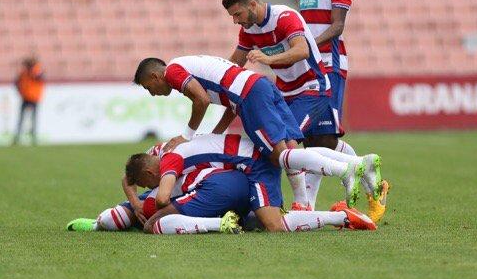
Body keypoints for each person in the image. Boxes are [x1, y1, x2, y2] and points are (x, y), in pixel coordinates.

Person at [221, 0, 383, 211]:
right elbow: (234, 64)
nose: (236, 21)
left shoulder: (285, 17)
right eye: (232, 17)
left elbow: (302, 50)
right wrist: (216, 79)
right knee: (321, 143)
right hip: (285, 94)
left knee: (286, 143)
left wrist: (268, 60)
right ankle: (360, 166)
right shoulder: (248, 31)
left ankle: (302, 204)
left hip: (312, 87)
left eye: (237, 14)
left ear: (253, 4)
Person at [133, 56, 371, 207]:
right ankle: (355, 167)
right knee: (290, 149)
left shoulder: (173, 71)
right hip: (259, 85)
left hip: (249, 94)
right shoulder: (190, 65)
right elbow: (228, 105)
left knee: (279, 156)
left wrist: (187, 136)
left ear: (155, 76)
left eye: (148, 87)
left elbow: (201, 100)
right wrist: (215, 134)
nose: (151, 92)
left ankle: (345, 170)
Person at [299, 0, 390, 219]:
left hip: (329, 64)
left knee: (322, 141)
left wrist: (308, 47)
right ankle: (367, 179)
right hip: (309, 66)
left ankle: (311, 206)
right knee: (313, 140)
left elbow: (337, 26)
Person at [123, 133, 376, 232]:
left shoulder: (170, 160)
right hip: (248, 161)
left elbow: (162, 198)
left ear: (149, 171)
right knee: (290, 158)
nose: (150, 187)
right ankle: (351, 166)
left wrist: (136, 204)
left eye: (146, 183)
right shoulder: (170, 150)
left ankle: (341, 211)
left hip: (254, 164)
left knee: (274, 225)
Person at [12, 57, 44, 145]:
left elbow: (40, 78)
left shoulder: (37, 71)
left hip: (33, 98)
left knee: (32, 119)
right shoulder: (24, 73)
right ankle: (18, 137)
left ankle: (33, 137)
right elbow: (16, 82)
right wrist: (20, 91)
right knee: (22, 119)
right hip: (26, 97)